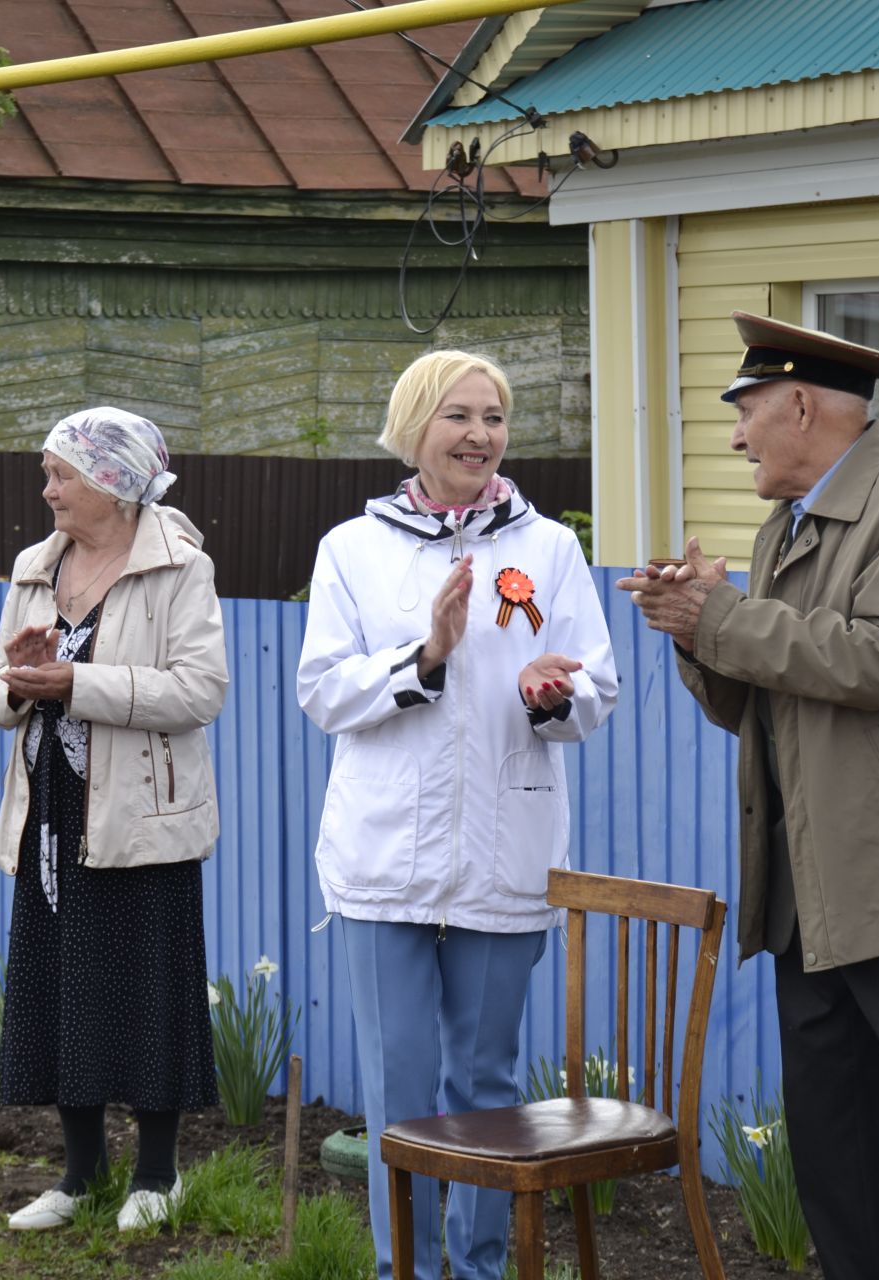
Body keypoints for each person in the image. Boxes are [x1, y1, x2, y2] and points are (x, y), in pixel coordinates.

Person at [616, 311, 879, 1280]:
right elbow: (761, 705)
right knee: (843, 1167)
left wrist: (724, 617)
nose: (735, 437)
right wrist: (693, 631)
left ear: (801, 403)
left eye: (747, 410)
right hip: (810, 898)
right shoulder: (784, 531)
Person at [296, 350, 619, 1280]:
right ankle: (411, 1271)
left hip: (502, 858)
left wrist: (552, 691)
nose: (481, 434)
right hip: (384, 861)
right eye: (459, 416)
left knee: (485, 1090)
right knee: (400, 1089)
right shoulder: (351, 550)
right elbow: (321, 690)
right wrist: (425, 656)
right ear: (414, 431)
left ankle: (478, 1268)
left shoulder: (548, 549)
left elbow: (597, 687)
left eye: (494, 417)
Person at [0, 408, 226, 1235]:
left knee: (149, 991)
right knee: (57, 989)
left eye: (61, 475)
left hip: (141, 819)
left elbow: (199, 692)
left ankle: (158, 1176)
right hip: (50, 812)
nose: (46, 490)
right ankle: (80, 1176)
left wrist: (76, 682)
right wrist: (19, 680)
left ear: (114, 482)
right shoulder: (34, 566)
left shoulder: (179, 565)